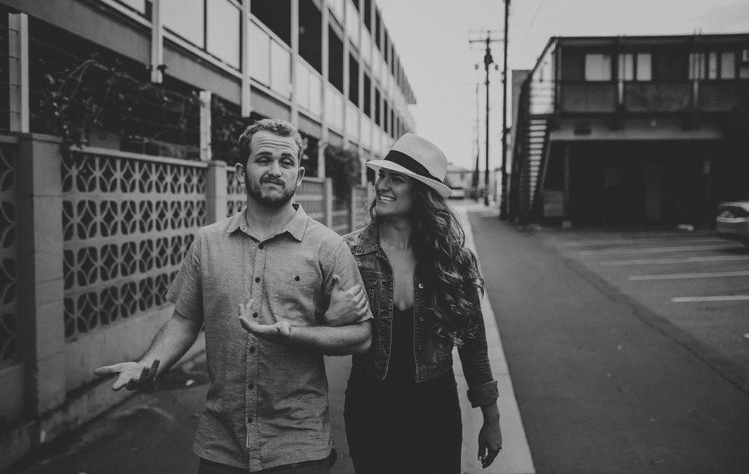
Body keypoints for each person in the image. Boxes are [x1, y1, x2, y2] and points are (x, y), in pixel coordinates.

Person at [102, 119, 372, 472]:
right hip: (221, 443)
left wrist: (296, 334)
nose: (275, 170)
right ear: (241, 172)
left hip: (298, 445)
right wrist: (147, 364)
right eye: (263, 159)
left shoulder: (329, 247)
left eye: (286, 162)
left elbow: (361, 336)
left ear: (299, 175)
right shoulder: (208, 242)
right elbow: (185, 321)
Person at [344, 134, 502, 474]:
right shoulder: (348, 254)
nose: (382, 185)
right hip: (370, 409)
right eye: (382, 175)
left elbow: (473, 341)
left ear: (421, 192)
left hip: (435, 410)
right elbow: (322, 325)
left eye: (396, 179)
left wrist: (491, 418)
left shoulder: (452, 260)